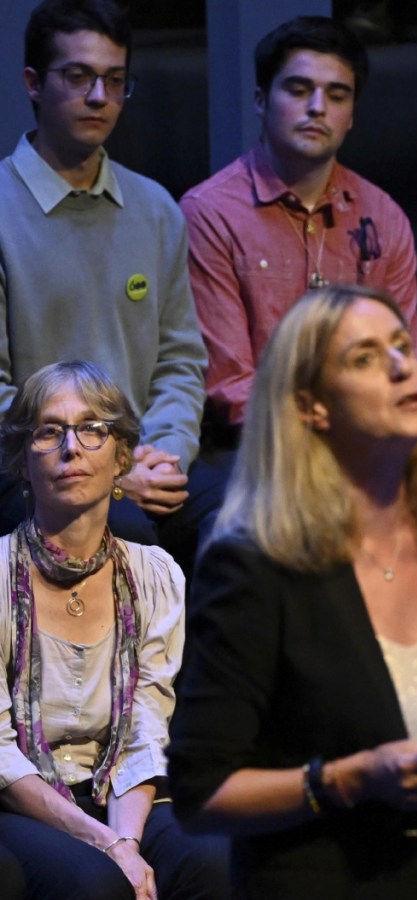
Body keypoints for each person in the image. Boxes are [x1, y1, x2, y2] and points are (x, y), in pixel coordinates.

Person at [167, 284, 417, 899]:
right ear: (311, 406)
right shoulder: (255, 564)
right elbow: (201, 795)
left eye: (403, 346)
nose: (402, 366)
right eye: (364, 358)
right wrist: (349, 780)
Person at [0, 0, 218, 574]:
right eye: (78, 76)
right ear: (32, 83)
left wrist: (164, 455)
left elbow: (179, 361)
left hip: (141, 461)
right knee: (117, 529)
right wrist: (109, 473)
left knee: (248, 522)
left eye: (114, 80)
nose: (99, 96)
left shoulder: (154, 209)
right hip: (35, 471)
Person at [0, 361, 229, 900]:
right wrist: (103, 845)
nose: (71, 447)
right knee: (96, 884)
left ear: (122, 456)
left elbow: (145, 728)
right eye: (49, 431)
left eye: (93, 429)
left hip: (119, 795)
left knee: (215, 863)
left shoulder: (155, 574)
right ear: (22, 460)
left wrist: (124, 838)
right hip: (19, 799)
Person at [181, 15, 417, 444]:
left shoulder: (383, 216)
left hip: (364, 444)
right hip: (256, 448)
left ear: (350, 116)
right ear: (260, 100)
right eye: (298, 89)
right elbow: (230, 384)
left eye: (336, 95)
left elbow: (404, 364)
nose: (317, 107)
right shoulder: (211, 214)